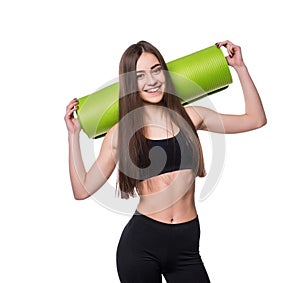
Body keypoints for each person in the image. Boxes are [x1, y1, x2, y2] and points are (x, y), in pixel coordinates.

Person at [64, 40, 267, 282]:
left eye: (156, 69)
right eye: (140, 75)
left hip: (186, 246)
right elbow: (82, 189)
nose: (151, 81)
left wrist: (240, 68)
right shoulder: (120, 132)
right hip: (141, 245)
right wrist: (73, 136)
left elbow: (255, 119)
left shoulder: (191, 116)